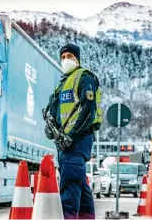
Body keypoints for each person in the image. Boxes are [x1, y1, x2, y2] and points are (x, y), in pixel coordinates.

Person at [43, 44, 103, 219]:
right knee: (80, 187)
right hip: (65, 144)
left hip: (77, 141)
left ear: (77, 59)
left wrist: (71, 136)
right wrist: (50, 129)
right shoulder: (63, 83)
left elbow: (88, 111)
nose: (65, 60)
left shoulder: (85, 78)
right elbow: (55, 113)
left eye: (70, 56)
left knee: (69, 187)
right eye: (63, 57)